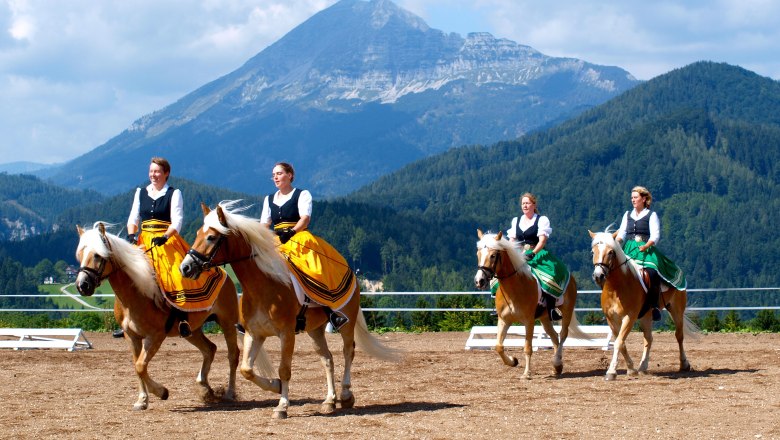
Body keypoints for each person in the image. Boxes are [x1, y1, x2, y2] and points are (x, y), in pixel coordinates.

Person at [121, 157, 227, 338]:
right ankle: (128, 319)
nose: (153, 175)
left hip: (166, 240)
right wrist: (132, 236)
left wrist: (165, 236)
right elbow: (133, 218)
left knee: (176, 276)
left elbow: (177, 220)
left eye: (157, 172)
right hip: (144, 240)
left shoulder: (173, 193)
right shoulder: (140, 192)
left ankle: (183, 318)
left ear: (166, 174)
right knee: (127, 276)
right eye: (151, 171)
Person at [259, 162, 356, 331]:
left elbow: (305, 219)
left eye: (279, 173)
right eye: (273, 174)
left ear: (290, 175)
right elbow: (264, 224)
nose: (275, 177)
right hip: (275, 240)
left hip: (299, 237)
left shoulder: (302, 194)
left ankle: (330, 310)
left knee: (312, 269)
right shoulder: (269, 199)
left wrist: (291, 231)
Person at [616, 186, 687, 321]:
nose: (633, 200)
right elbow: (622, 233)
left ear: (643, 199)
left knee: (652, 272)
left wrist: (646, 245)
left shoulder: (651, 215)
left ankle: (654, 306)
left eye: (635, 197)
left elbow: (655, 235)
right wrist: (616, 243)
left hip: (646, 249)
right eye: (632, 197)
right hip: (629, 249)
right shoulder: (627, 215)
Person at [506, 193, 571, 321]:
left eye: (528, 203)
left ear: (534, 205)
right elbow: (512, 240)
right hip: (519, 254)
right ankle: (501, 306)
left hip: (537, 252)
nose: (525, 205)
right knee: (501, 274)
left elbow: (542, 241)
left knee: (549, 277)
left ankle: (551, 308)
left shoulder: (541, 220)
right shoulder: (516, 221)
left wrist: (533, 253)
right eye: (523, 203)